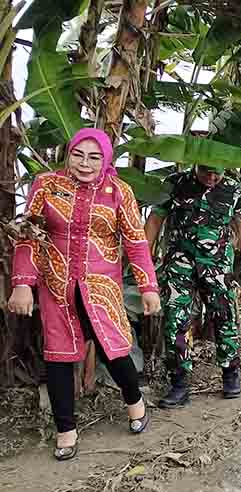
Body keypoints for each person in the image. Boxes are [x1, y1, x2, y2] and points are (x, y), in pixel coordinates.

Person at [8, 128, 161, 460]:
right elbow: (30, 236)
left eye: (94, 157)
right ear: (69, 153)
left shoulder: (119, 191)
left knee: (114, 349)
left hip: (101, 288)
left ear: (105, 159)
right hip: (56, 287)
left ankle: (135, 403)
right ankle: (66, 430)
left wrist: (148, 287)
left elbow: (136, 243)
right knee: (58, 355)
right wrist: (22, 283)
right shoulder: (46, 185)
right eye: (78, 154)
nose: (85, 163)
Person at [145, 164, 241, 408]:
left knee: (224, 316)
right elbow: (155, 220)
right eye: (206, 171)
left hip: (217, 266)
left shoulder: (232, 188)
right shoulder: (175, 183)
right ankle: (179, 382)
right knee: (176, 319)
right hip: (179, 264)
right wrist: (144, 261)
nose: (212, 177)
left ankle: (230, 373)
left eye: (218, 172)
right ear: (196, 164)